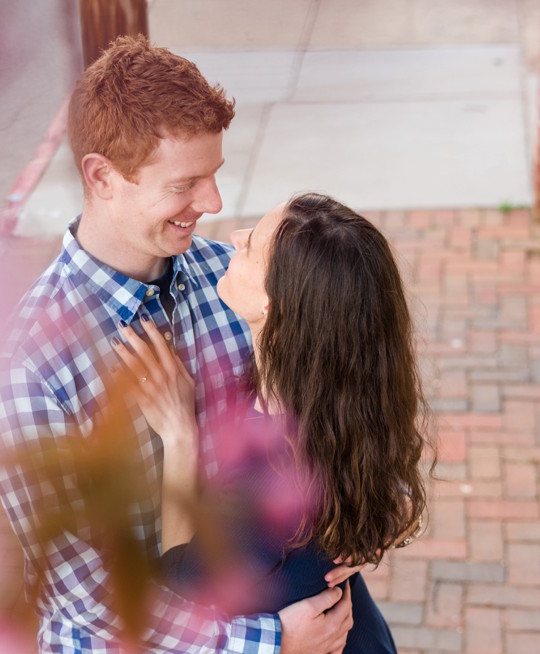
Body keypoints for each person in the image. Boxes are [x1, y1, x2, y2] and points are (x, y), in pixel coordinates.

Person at [0, 36, 354, 653]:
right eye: (185, 183)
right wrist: (268, 642)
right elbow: (91, 591)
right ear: (102, 176)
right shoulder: (29, 368)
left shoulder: (229, 277)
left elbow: (319, 413)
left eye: (214, 176)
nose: (212, 204)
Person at [112, 193, 432, 653]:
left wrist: (179, 437)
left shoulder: (265, 481)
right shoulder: (342, 403)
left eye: (250, 247)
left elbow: (183, 580)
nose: (233, 239)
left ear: (273, 305)